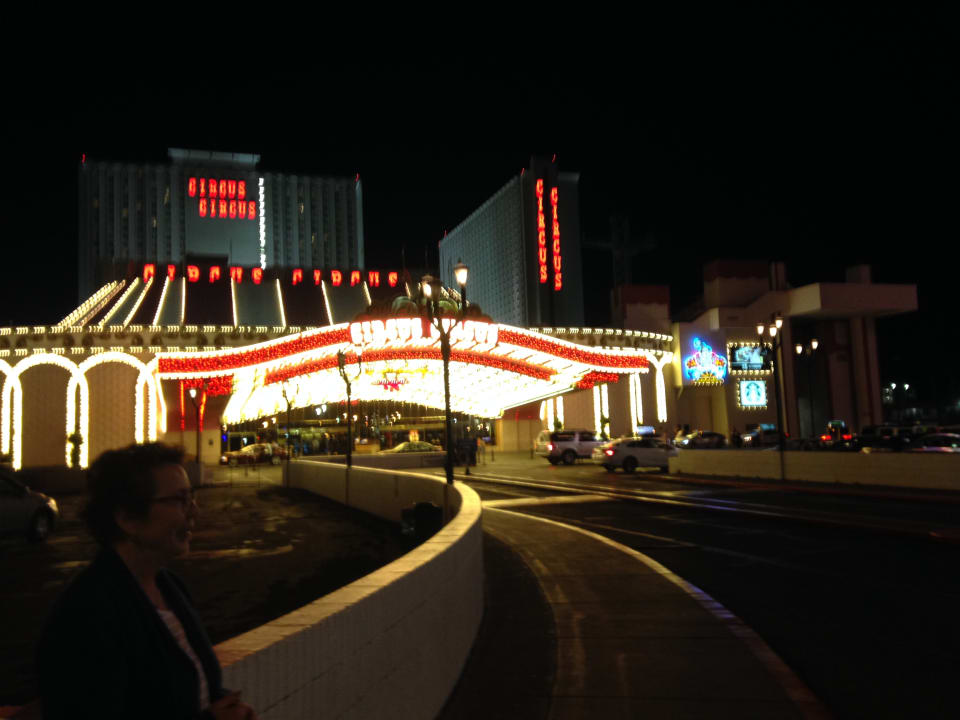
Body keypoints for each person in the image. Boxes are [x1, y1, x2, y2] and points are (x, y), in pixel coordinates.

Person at [37, 443, 258, 720]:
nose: (194, 511)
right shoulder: (86, 616)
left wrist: (227, 706)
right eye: (179, 500)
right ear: (127, 518)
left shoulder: (169, 586)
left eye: (191, 497)